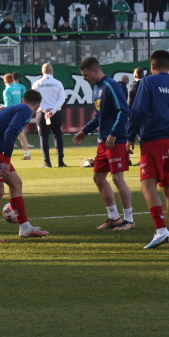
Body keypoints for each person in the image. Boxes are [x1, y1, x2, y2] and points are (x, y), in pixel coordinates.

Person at [128, 50, 169, 249]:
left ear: (152, 66)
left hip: (153, 139)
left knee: (147, 186)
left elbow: (138, 110)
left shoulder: (147, 82)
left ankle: (160, 231)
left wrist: (130, 136)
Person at [0, 90, 49, 243]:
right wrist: (6, 160)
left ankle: (25, 227)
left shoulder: (19, 108)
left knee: (16, 183)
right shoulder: (25, 110)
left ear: (23, 99)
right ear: (38, 105)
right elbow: (10, 131)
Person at [73, 57, 136, 231]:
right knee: (98, 178)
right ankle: (114, 217)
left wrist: (114, 133)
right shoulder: (96, 89)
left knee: (117, 178)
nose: (85, 78)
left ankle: (129, 220)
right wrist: (85, 131)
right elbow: (99, 116)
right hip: (103, 142)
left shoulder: (111, 86)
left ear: (95, 70)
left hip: (116, 141)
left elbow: (124, 111)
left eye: (86, 75)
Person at [32, 64, 66, 167]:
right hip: (55, 114)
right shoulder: (58, 83)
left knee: (43, 138)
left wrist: (44, 109)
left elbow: (34, 99)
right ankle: (60, 162)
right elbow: (61, 99)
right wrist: (53, 110)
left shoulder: (37, 83)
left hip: (41, 114)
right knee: (57, 136)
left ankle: (47, 162)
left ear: (42, 71)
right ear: (52, 71)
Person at [0, 73, 32, 159]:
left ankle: (3, 154)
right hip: (18, 112)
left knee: (2, 133)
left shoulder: (7, 90)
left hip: (11, 114)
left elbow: (8, 104)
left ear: (5, 81)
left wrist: (3, 107)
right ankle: (26, 154)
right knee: (21, 135)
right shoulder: (18, 88)